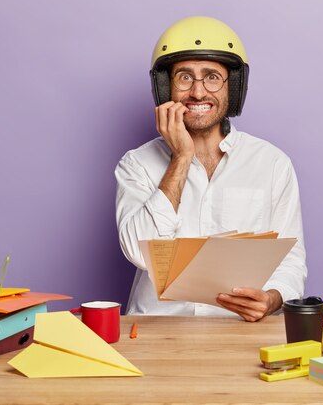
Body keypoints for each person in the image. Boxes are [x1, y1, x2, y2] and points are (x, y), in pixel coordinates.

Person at [115, 16, 307, 321]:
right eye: (185, 78)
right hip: (155, 330)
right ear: (165, 88)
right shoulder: (136, 164)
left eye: (212, 77)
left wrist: (272, 299)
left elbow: (291, 259)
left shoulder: (272, 164)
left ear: (233, 86)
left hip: (241, 331)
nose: (198, 93)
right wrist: (180, 157)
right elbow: (141, 253)